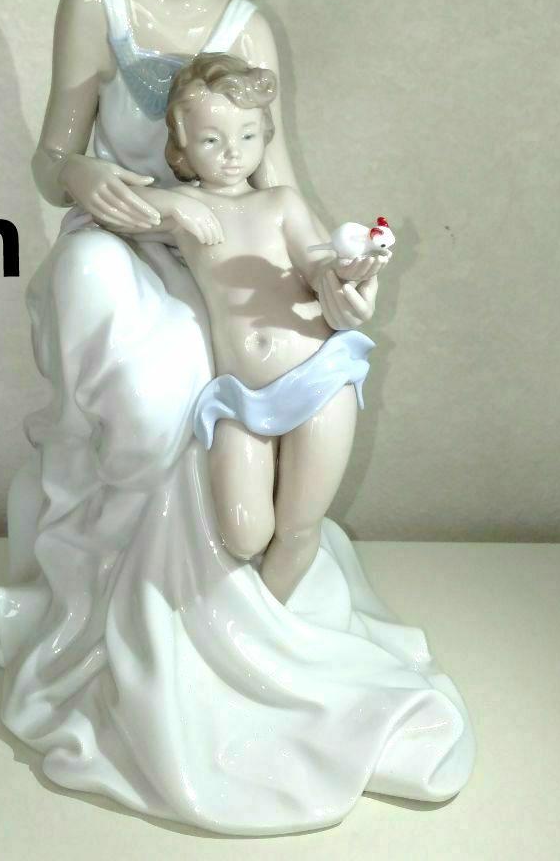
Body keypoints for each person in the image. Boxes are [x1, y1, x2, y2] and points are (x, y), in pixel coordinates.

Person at [0, 0, 475, 835]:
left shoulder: (247, 28)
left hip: (217, 259)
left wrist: (331, 277)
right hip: (118, 238)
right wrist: (84, 177)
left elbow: (277, 181)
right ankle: (116, 607)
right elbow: (51, 156)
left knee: (212, 399)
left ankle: (202, 623)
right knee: (146, 392)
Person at [124, 52, 392, 606]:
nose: (232, 153)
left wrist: (347, 277)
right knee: (243, 534)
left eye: (247, 136)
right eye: (212, 140)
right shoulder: (187, 209)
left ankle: (267, 628)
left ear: (264, 135)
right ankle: (251, 619)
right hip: (241, 397)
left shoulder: (279, 203)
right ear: (181, 146)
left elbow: (318, 261)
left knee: (297, 526)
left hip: (317, 377)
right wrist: (169, 201)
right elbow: (111, 211)